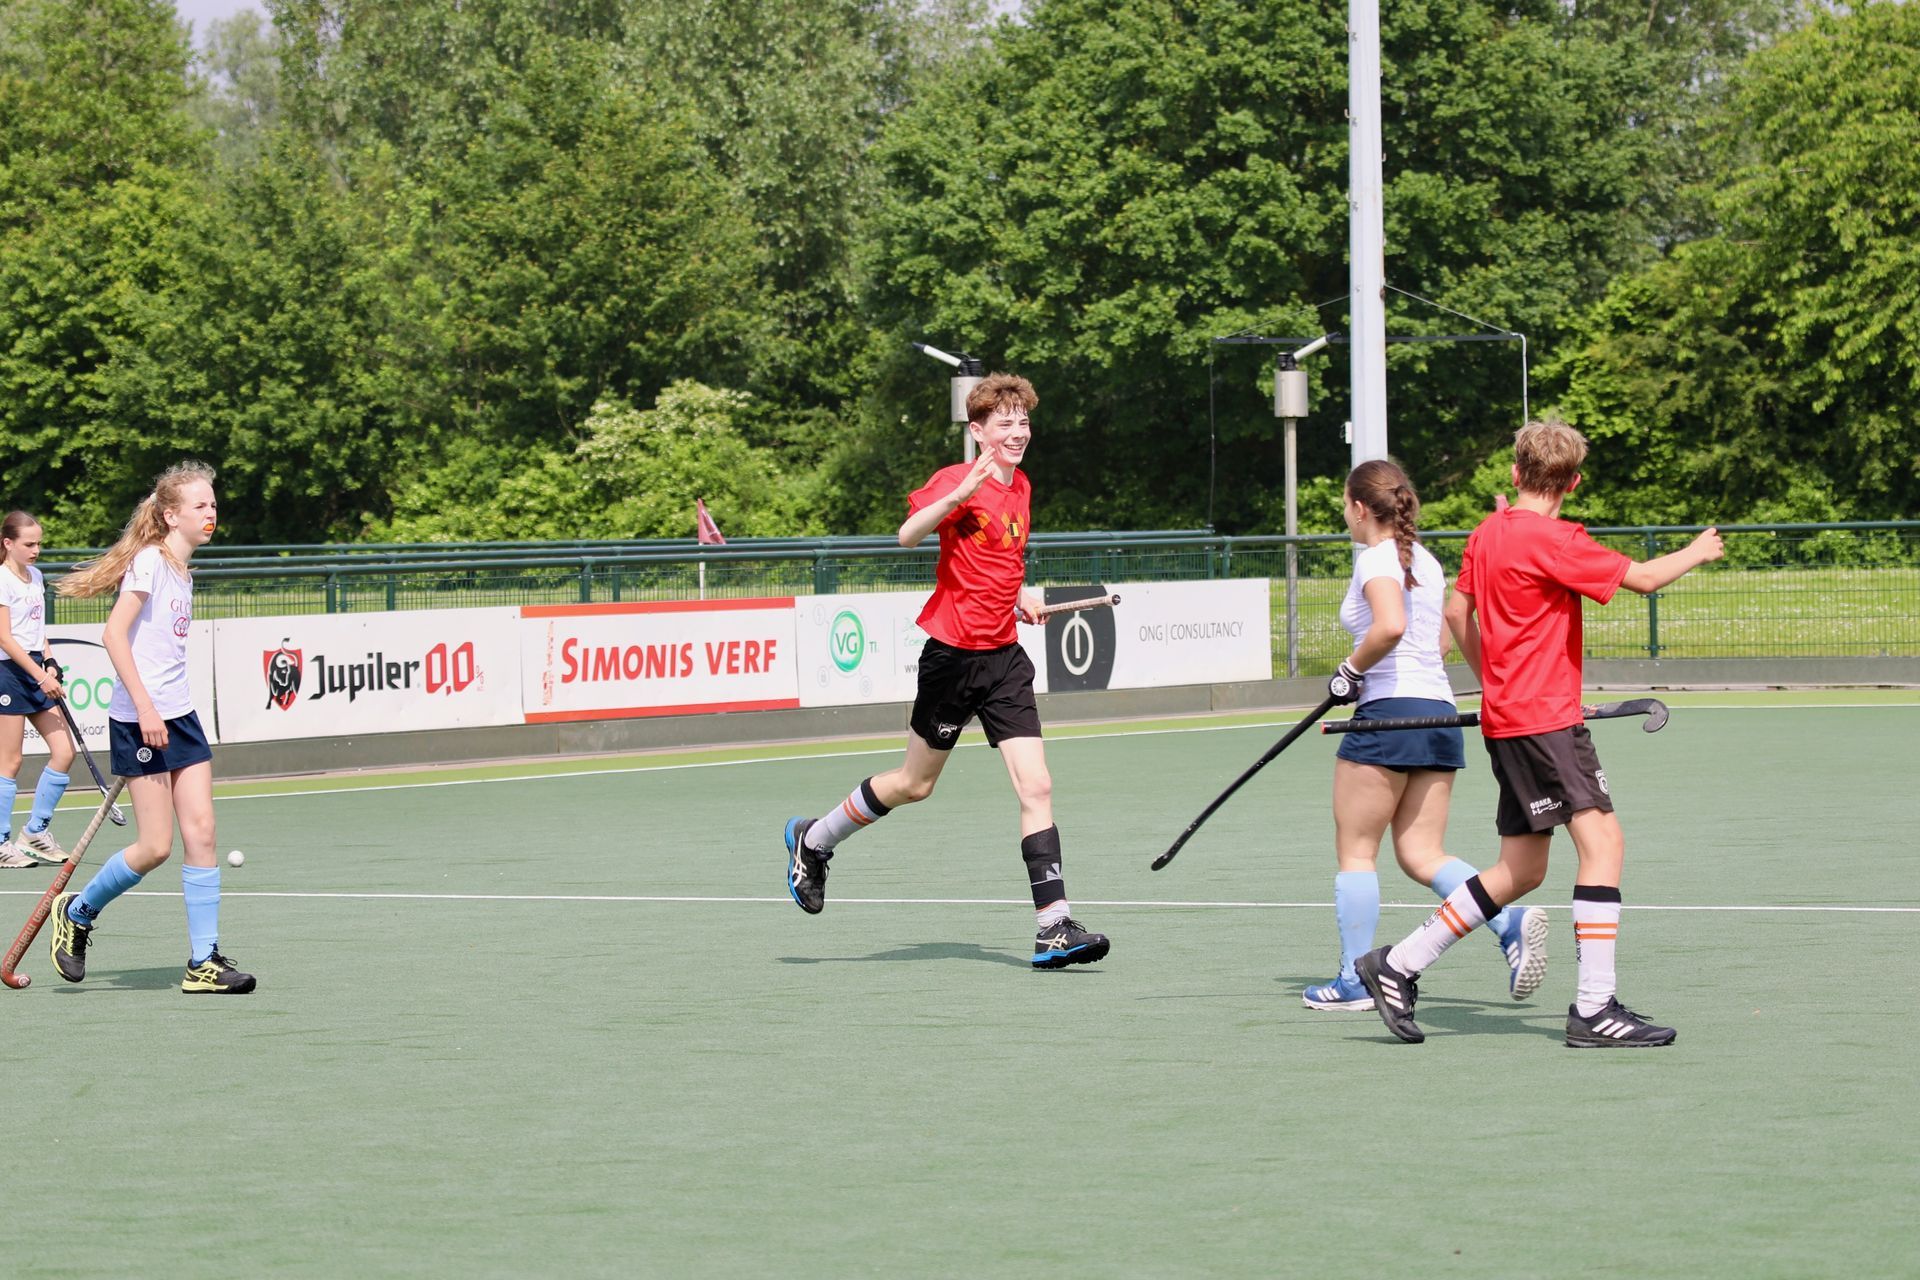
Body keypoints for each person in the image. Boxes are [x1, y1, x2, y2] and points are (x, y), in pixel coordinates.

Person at [1356, 421, 1721, 1046]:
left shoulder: (1487, 532)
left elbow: (1456, 613)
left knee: (1520, 869)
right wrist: (1698, 550)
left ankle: (1398, 964)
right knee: (1603, 845)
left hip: (1510, 719)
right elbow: (1644, 578)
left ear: (1515, 473)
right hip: (1547, 722)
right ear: (1573, 483)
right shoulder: (1559, 540)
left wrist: (1496, 683)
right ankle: (1595, 1008)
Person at [782, 373, 1110, 969]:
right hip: (952, 659)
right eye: (1004, 423)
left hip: (1004, 659)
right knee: (915, 784)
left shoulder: (1022, 485)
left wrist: (1021, 597)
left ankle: (1054, 926)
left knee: (1036, 786)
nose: (1018, 432)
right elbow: (908, 536)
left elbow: (1001, 559)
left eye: (1024, 422)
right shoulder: (956, 481)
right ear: (978, 430)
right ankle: (815, 838)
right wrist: (961, 493)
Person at [1302, 462, 1547, 1011]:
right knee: (1421, 853)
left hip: (1388, 714)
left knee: (1357, 852)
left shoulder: (1376, 558)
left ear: (1360, 507)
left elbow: (1389, 626)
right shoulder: (1426, 561)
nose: (1345, 514)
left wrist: (1350, 670)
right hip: (1437, 712)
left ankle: (1354, 982)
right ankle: (1506, 921)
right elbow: (1437, 644)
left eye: (1345, 504)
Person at [47, 462, 256, 994]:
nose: (211, 513)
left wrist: (164, 709)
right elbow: (113, 635)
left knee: (202, 832)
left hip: (179, 715)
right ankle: (77, 911)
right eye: (200, 505)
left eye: (213, 504)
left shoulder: (183, 571)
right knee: (156, 846)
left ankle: (203, 962)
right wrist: (144, 708)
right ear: (170, 515)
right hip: (140, 719)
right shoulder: (150, 563)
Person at [0, 511, 77, 869]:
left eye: (39, 544)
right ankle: (0, 842)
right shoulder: (2, 579)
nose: (36, 550)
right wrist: (39, 676)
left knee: (64, 751)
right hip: (8, 671)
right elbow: (4, 637)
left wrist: (50, 662)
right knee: (10, 761)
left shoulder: (36, 576)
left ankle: (34, 833)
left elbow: (37, 629)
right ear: (8, 543)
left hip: (34, 666)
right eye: (29, 544)